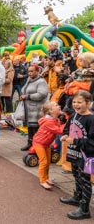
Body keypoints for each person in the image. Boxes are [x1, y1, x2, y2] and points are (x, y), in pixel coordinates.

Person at [60, 91, 94, 220]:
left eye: (80, 102)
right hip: (74, 152)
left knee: (85, 181)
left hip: (85, 156)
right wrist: (65, 135)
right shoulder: (74, 115)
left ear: (88, 103)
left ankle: (84, 209)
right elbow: (68, 129)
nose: (76, 104)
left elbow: (92, 142)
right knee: (76, 175)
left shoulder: (91, 119)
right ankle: (77, 197)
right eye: (74, 102)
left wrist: (75, 141)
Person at [33, 101, 65, 190]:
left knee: (48, 162)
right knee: (44, 162)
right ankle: (42, 180)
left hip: (46, 144)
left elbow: (60, 127)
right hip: (39, 143)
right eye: (56, 105)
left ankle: (46, 178)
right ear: (51, 111)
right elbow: (59, 130)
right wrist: (68, 123)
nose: (59, 106)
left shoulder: (56, 120)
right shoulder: (48, 122)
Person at [20, 64, 49, 151]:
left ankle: (36, 145)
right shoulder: (29, 80)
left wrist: (28, 96)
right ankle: (30, 143)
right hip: (28, 109)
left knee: (36, 128)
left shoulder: (41, 81)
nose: (30, 73)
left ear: (37, 71)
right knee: (30, 128)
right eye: (28, 71)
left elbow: (42, 94)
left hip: (37, 109)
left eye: (32, 71)